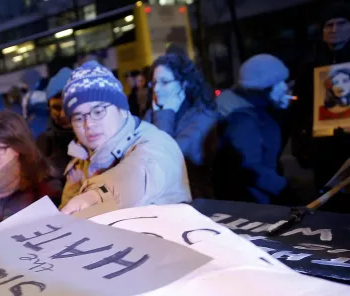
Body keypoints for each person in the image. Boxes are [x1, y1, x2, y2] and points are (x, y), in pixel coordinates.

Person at [60, 61, 191, 214]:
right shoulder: (81, 160)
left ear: (122, 110)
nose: (88, 124)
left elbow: (138, 173)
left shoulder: (155, 143)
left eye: (98, 111)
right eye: (78, 118)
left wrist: (95, 195)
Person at [214, 54, 292, 204]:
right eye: (278, 83)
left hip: (260, 196)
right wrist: (283, 187)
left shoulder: (255, 108)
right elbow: (250, 168)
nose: (284, 87)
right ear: (263, 88)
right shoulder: (242, 120)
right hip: (256, 201)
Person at [291, 3, 350, 193]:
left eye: (340, 24)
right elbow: (300, 108)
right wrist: (301, 144)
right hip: (323, 148)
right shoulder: (309, 64)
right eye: (329, 25)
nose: (334, 30)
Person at [144, 53, 219, 198]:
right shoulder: (152, 114)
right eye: (154, 82)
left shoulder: (203, 117)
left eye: (164, 82)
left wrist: (166, 115)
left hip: (194, 202)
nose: (156, 89)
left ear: (184, 84)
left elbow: (167, 161)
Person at [37, 67, 75, 192]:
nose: (63, 114)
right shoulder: (43, 143)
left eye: (67, 107)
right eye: (57, 108)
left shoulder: (95, 137)